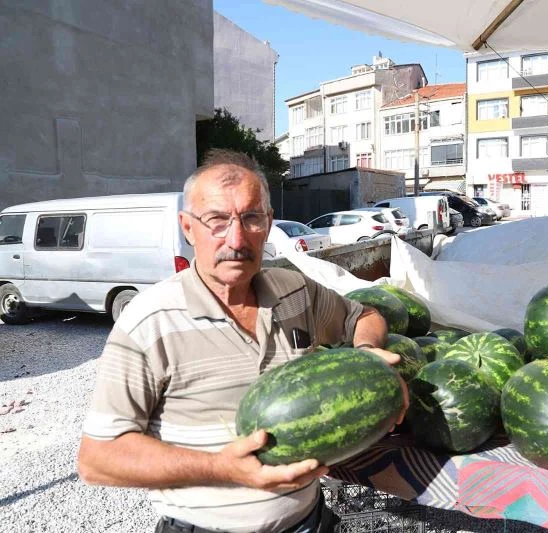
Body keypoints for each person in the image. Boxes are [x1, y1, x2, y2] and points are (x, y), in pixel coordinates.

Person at [77, 149, 406, 533]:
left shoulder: (295, 290)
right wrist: (223, 469)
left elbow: (365, 315)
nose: (236, 238)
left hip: (310, 521)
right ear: (187, 227)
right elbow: (98, 458)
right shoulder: (148, 322)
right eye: (216, 220)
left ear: (268, 223)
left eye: (251, 218)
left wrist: (368, 360)